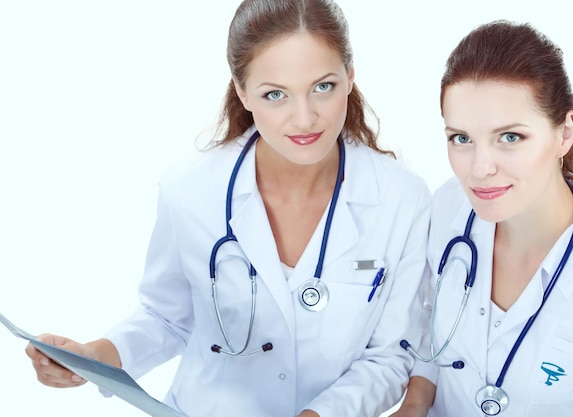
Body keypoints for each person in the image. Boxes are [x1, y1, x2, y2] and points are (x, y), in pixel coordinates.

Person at [25, 1, 432, 416]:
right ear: (241, 91)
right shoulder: (190, 189)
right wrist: (92, 358)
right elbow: (166, 317)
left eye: (323, 87)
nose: (305, 117)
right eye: (276, 94)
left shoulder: (403, 200)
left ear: (350, 76)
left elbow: (389, 355)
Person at [392, 20, 573, 417]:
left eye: (510, 137)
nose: (480, 169)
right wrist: (413, 404)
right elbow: (431, 322)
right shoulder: (449, 207)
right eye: (461, 138)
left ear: (564, 134)